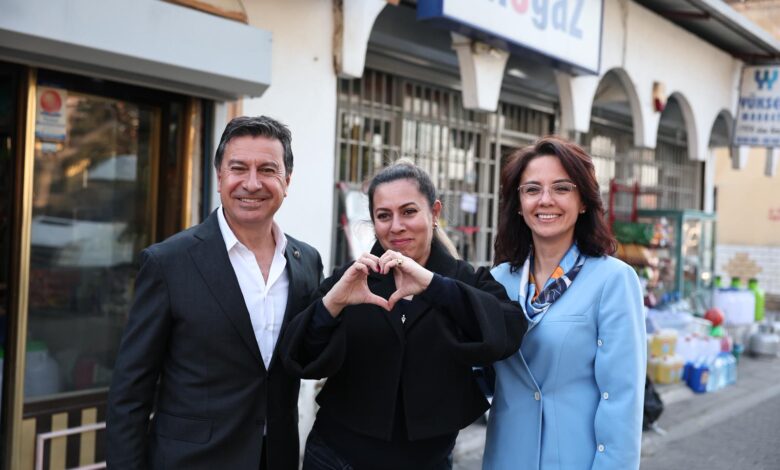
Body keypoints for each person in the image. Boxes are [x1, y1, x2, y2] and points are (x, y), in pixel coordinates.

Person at [107, 116, 323, 469]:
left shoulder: (305, 261)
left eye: (267, 170)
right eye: (238, 168)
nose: (252, 183)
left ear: (287, 181)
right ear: (219, 177)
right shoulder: (169, 262)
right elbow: (130, 391)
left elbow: (309, 354)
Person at [279, 161, 526, 470]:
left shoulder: (463, 280)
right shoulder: (352, 279)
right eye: (384, 215)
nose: (396, 226)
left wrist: (434, 286)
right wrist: (331, 305)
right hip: (335, 459)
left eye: (409, 211)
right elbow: (298, 355)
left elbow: (509, 329)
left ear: (434, 213)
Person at [483, 136, 647, 470]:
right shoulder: (497, 281)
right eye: (532, 189)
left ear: (583, 201)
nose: (545, 200)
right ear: (518, 204)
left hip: (576, 459)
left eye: (561, 188)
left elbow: (622, 397)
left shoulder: (613, 280)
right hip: (507, 458)